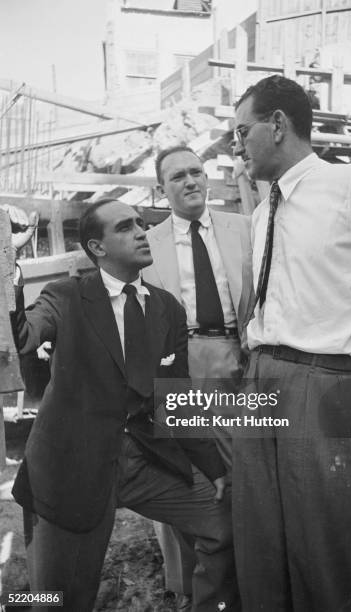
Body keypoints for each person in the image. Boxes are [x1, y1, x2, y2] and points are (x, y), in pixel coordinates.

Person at [8, 199, 240, 612]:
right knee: (53, 598)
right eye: (125, 227)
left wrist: (212, 466)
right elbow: (21, 338)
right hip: (68, 468)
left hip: (145, 458)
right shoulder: (64, 296)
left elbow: (176, 398)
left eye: (140, 223)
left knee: (225, 526)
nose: (140, 231)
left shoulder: (168, 307)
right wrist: (7, 264)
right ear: (97, 248)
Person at [232, 74, 351, 612]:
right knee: (262, 547)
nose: (237, 146)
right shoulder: (263, 211)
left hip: (328, 384)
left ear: (278, 124)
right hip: (261, 381)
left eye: (243, 131)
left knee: (326, 556)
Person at [142, 145, 252, 611]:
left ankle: (245, 578)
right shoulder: (148, 243)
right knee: (186, 475)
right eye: (177, 177)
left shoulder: (244, 228)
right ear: (162, 188)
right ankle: (188, 584)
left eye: (196, 172)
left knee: (243, 474)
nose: (190, 182)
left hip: (238, 358)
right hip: (179, 363)